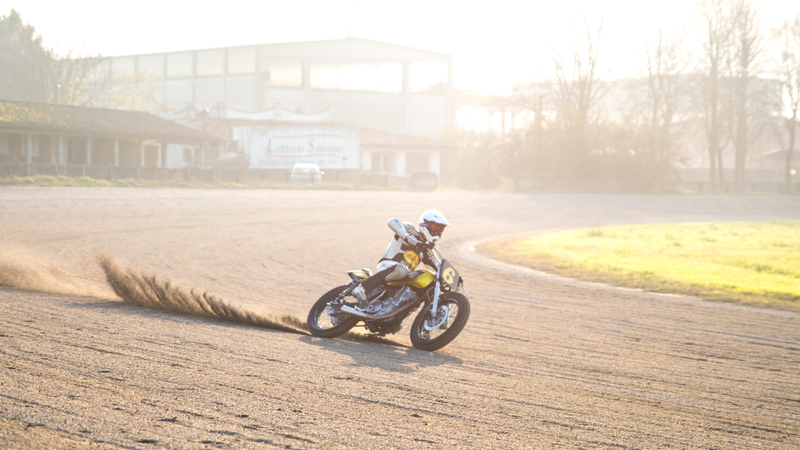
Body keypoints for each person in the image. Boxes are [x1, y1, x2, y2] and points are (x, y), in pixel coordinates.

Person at [351, 210, 450, 308]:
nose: (437, 231)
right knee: (402, 270)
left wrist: (453, 281)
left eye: (441, 229)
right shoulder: (410, 230)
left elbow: (438, 266)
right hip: (389, 265)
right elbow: (392, 221)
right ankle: (363, 288)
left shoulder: (427, 249)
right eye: (435, 227)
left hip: (403, 277)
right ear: (425, 224)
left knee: (427, 283)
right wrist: (407, 237)